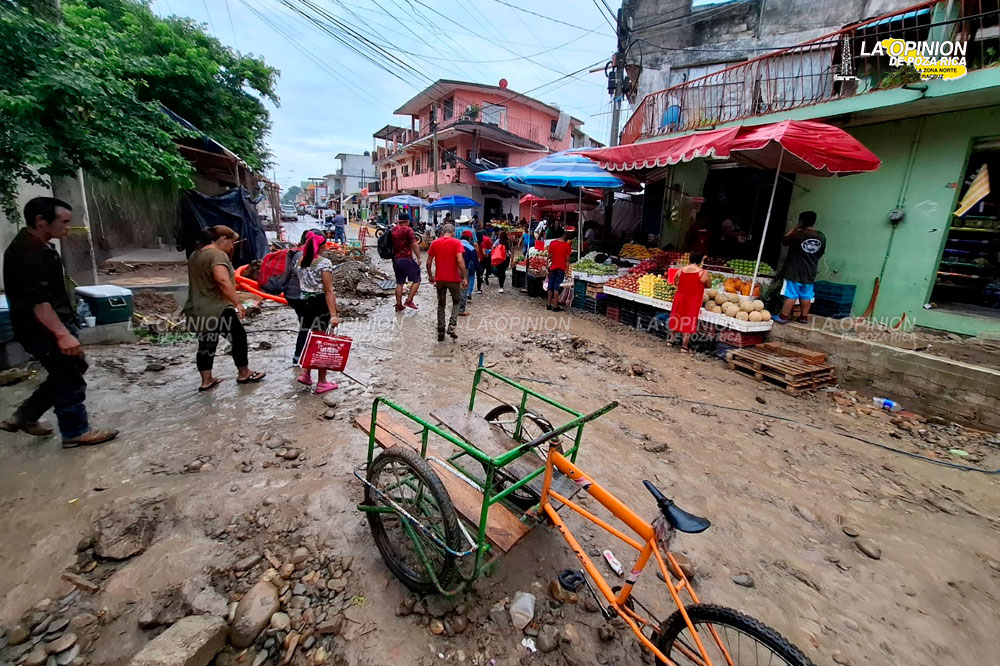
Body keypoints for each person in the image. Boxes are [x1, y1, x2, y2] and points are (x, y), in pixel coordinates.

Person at [0, 197, 119, 447]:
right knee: (69, 376)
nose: (67, 227)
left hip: (45, 324)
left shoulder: (39, 246)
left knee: (72, 368)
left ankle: (24, 416)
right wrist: (62, 334)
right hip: (42, 328)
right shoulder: (28, 254)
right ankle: (75, 431)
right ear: (41, 221)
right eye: (63, 222)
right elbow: (39, 303)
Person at [185, 225, 266, 392]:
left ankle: (206, 380)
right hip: (218, 307)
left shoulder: (195, 255)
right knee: (238, 337)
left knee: (207, 343)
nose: (231, 247)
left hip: (198, 307)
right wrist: (237, 303)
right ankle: (244, 373)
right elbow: (222, 280)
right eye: (231, 243)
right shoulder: (217, 255)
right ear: (223, 239)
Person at [289, 232, 340, 393]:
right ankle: (322, 382)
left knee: (310, 339)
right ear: (322, 246)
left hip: (304, 303)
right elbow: (328, 290)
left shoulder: (300, 261)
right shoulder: (323, 263)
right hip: (319, 304)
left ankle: (305, 373)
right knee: (322, 343)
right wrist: (333, 315)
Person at [774, 211, 826, 324]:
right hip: (810, 271)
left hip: (794, 271)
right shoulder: (821, 236)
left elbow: (784, 240)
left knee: (791, 295)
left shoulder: (798, 234)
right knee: (806, 296)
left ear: (801, 221)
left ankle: (784, 316)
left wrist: (795, 228)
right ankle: (804, 317)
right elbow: (820, 254)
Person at [426, 224, 468, 341]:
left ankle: (440, 330)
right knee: (456, 301)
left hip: (439, 279)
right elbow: (459, 260)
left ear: (442, 232)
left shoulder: (435, 243)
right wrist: (464, 277)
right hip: (453, 279)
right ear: (453, 232)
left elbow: (428, 262)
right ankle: (452, 326)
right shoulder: (456, 243)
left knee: (441, 304)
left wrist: (430, 276)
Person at [667, 254, 711, 352]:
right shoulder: (703, 272)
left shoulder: (681, 269)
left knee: (676, 316)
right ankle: (684, 346)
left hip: (680, 297)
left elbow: (675, 282)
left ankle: (671, 340)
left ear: (689, 259)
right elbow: (708, 284)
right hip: (692, 300)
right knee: (688, 320)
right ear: (700, 261)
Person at [391, 213, 421, 312]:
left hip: (395, 259)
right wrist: (419, 257)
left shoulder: (393, 229)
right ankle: (409, 300)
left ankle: (398, 305)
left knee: (399, 283)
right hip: (406, 258)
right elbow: (414, 244)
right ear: (408, 221)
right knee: (417, 279)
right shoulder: (408, 230)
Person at [546, 229, 573, 312]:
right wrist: (567, 271)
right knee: (556, 287)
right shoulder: (567, 245)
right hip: (561, 267)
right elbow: (567, 260)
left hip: (553, 267)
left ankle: (548, 304)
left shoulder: (552, 243)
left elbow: (549, 255)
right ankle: (555, 305)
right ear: (562, 234)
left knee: (550, 285)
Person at [458, 230, 479, 315]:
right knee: (463, 289)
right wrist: (479, 271)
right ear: (470, 238)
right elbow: (475, 261)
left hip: (452, 270)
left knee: (455, 289)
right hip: (463, 270)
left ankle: (454, 308)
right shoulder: (470, 248)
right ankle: (461, 310)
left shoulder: (455, 244)